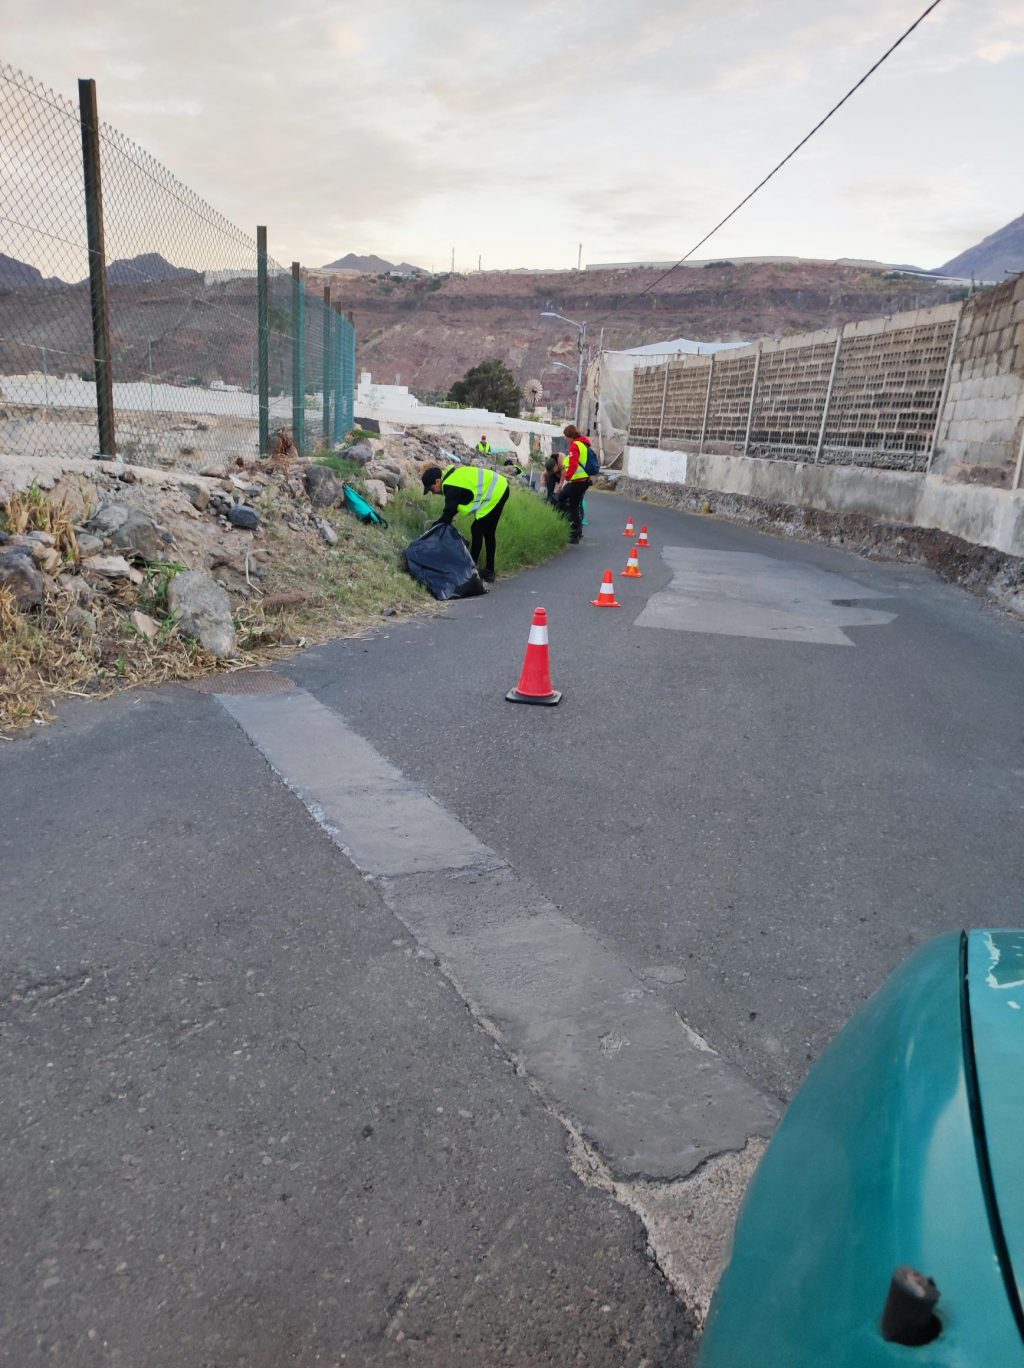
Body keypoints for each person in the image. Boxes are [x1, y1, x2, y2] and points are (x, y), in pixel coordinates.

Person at [421, 463, 509, 583]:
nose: (433, 492)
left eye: (431, 489)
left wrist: (433, 528)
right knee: (488, 532)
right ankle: (489, 571)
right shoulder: (452, 478)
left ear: (437, 481)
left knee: (477, 529)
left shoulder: (449, 485)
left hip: (496, 491)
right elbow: (452, 509)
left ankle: (471, 571)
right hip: (500, 487)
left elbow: (449, 512)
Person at [555, 424, 592, 543]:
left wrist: (567, 478)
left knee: (574, 507)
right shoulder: (583, 444)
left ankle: (575, 534)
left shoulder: (575, 445)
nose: (565, 439)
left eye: (566, 436)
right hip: (581, 480)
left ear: (569, 436)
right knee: (561, 498)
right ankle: (565, 523)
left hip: (577, 481)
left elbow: (573, 464)